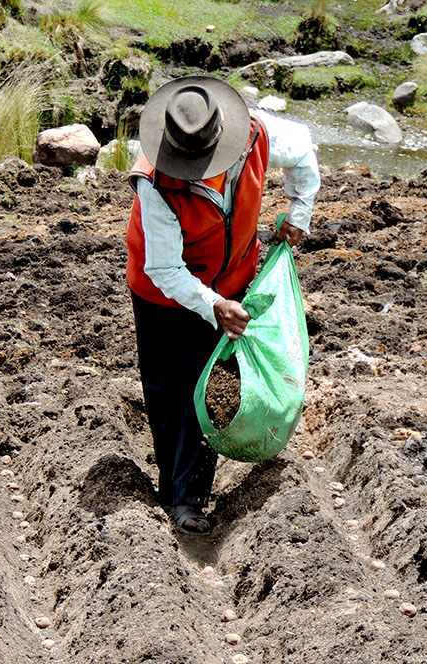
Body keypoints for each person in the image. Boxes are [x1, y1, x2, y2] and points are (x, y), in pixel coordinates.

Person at [125, 75, 320, 534]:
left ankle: (187, 497)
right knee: (163, 387)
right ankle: (168, 482)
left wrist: (298, 213)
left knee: (204, 383)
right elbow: (166, 269)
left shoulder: (256, 133)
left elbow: (305, 153)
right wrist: (212, 304)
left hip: (229, 278)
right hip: (158, 289)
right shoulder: (154, 183)